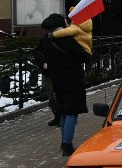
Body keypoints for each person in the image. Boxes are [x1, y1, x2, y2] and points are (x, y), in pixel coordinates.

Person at [39, 13, 92, 155]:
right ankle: (67, 145)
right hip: (72, 79)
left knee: (63, 111)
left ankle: (64, 142)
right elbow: (85, 57)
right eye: (65, 22)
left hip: (57, 79)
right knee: (72, 112)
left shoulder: (45, 39)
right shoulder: (66, 39)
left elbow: (38, 54)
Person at [32, 13, 66, 127]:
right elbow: (37, 52)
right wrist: (43, 62)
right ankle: (57, 116)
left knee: (59, 95)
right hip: (49, 72)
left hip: (61, 72)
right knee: (51, 96)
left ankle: (62, 116)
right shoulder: (45, 39)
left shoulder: (64, 38)